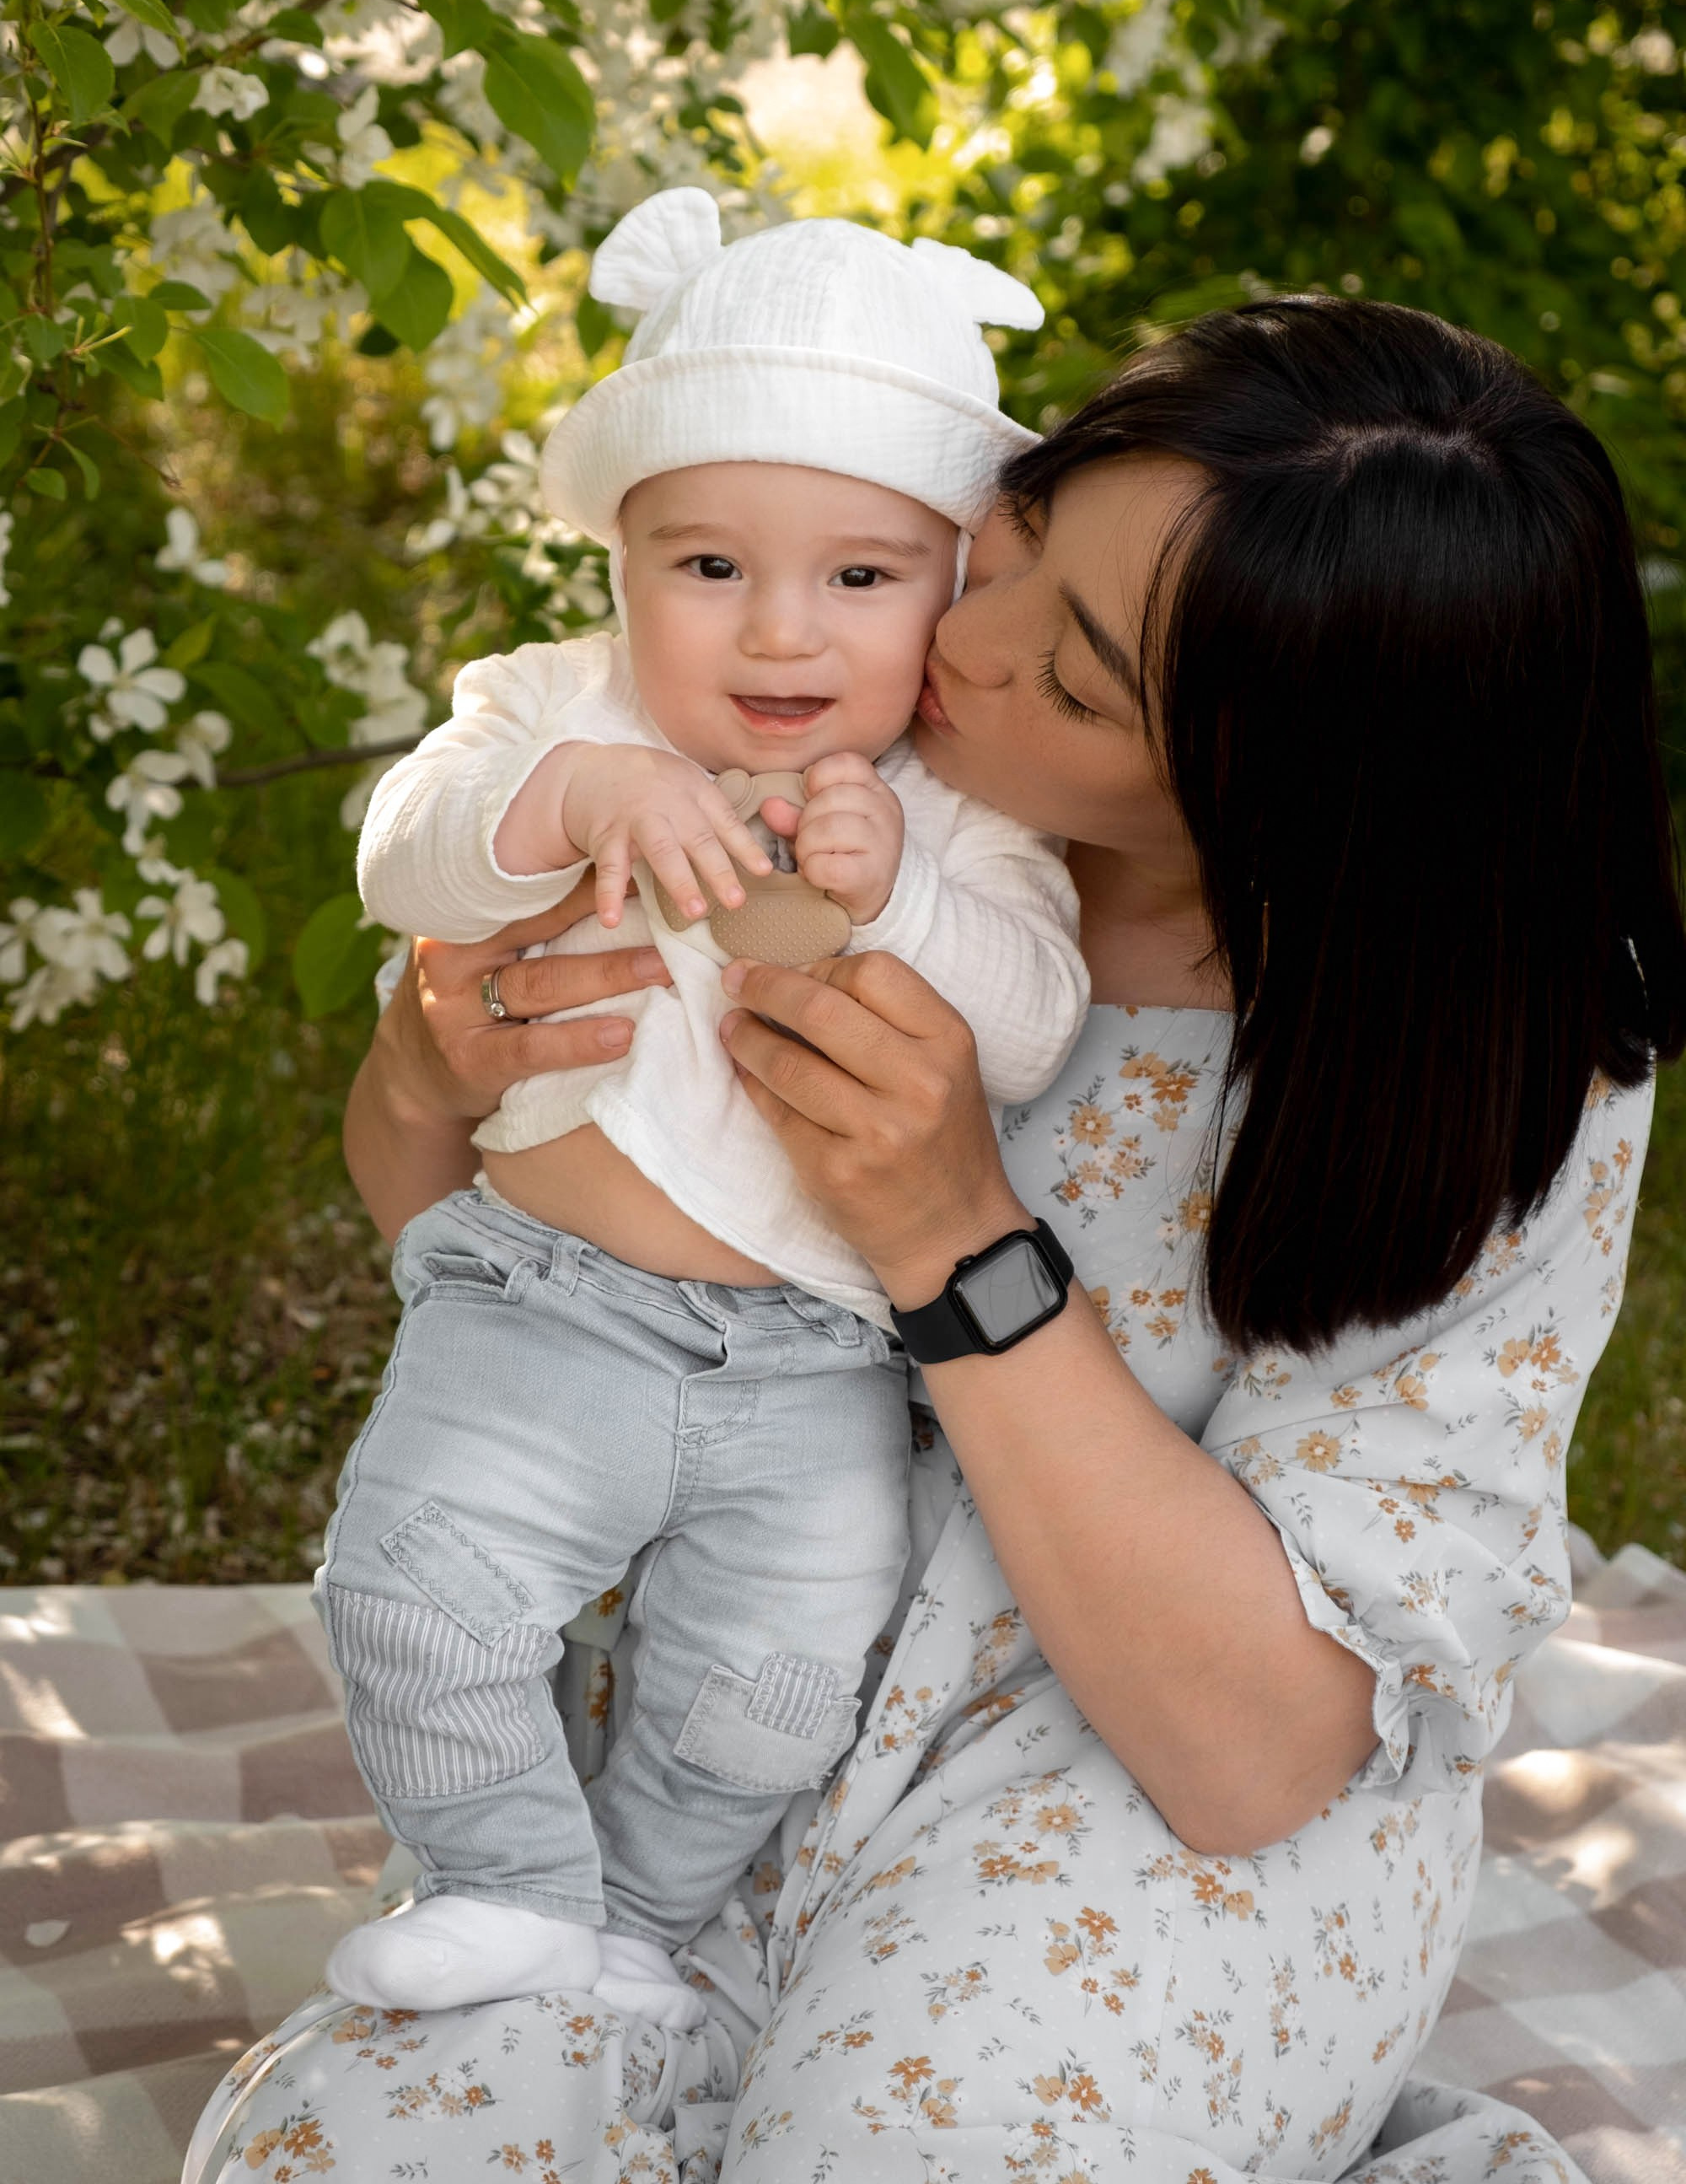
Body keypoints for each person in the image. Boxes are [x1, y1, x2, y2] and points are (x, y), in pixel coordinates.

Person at [186, 296, 1686, 2184]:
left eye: (1070, 684)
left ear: (1280, 790)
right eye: (1015, 533)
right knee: (334, 2154)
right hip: (712, 1728)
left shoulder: (1485, 1061)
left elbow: (1251, 1758)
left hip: (1127, 1801)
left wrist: (957, 1238)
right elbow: (531, 1299)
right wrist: (422, 1083)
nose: (949, 648)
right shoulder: (796, 773)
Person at [321, 189, 1087, 2023]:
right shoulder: (555, 711)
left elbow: (1040, 1024)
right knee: (411, 1596)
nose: (775, 634)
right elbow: (402, 861)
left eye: (858, 574)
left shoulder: (948, 809)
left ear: (947, 588)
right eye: (708, 566)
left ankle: (642, 1936)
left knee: (772, 1686)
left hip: (813, 1363)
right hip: (544, 1305)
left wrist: (898, 892)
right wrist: (575, 794)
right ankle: (507, 1883)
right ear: (619, 560)